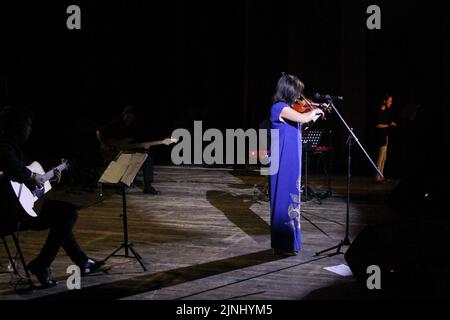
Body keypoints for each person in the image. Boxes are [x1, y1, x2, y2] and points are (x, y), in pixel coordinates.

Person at [0, 105, 103, 288]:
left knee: (64, 215)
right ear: (17, 126)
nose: (30, 130)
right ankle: (44, 263)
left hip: (19, 209)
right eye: (28, 125)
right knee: (66, 214)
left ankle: (79, 261)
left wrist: (48, 178)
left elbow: (28, 184)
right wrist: (33, 177)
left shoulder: (14, 148)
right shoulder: (4, 147)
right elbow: (15, 169)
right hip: (8, 216)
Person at [269, 73, 324, 256]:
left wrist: (316, 114)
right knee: (284, 200)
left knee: (293, 200)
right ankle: (281, 244)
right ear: (289, 90)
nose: (299, 95)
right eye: (297, 91)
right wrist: (313, 111)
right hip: (282, 159)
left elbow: (303, 125)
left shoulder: (291, 110)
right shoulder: (279, 108)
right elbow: (304, 118)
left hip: (292, 159)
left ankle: (290, 243)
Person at [96, 105, 158, 195]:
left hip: (129, 150)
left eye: (131, 116)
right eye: (127, 115)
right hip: (116, 152)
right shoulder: (116, 123)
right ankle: (121, 185)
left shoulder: (136, 126)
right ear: (123, 115)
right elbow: (98, 132)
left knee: (148, 158)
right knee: (124, 158)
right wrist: (104, 145)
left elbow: (137, 141)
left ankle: (148, 186)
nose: (129, 118)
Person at [374, 94, 397, 183]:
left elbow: (386, 121)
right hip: (379, 137)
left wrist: (390, 124)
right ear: (384, 101)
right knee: (379, 158)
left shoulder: (385, 112)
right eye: (389, 101)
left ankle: (381, 176)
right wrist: (389, 125)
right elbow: (377, 124)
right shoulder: (378, 111)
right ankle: (377, 178)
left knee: (384, 158)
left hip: (384, 137)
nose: (391, 103)